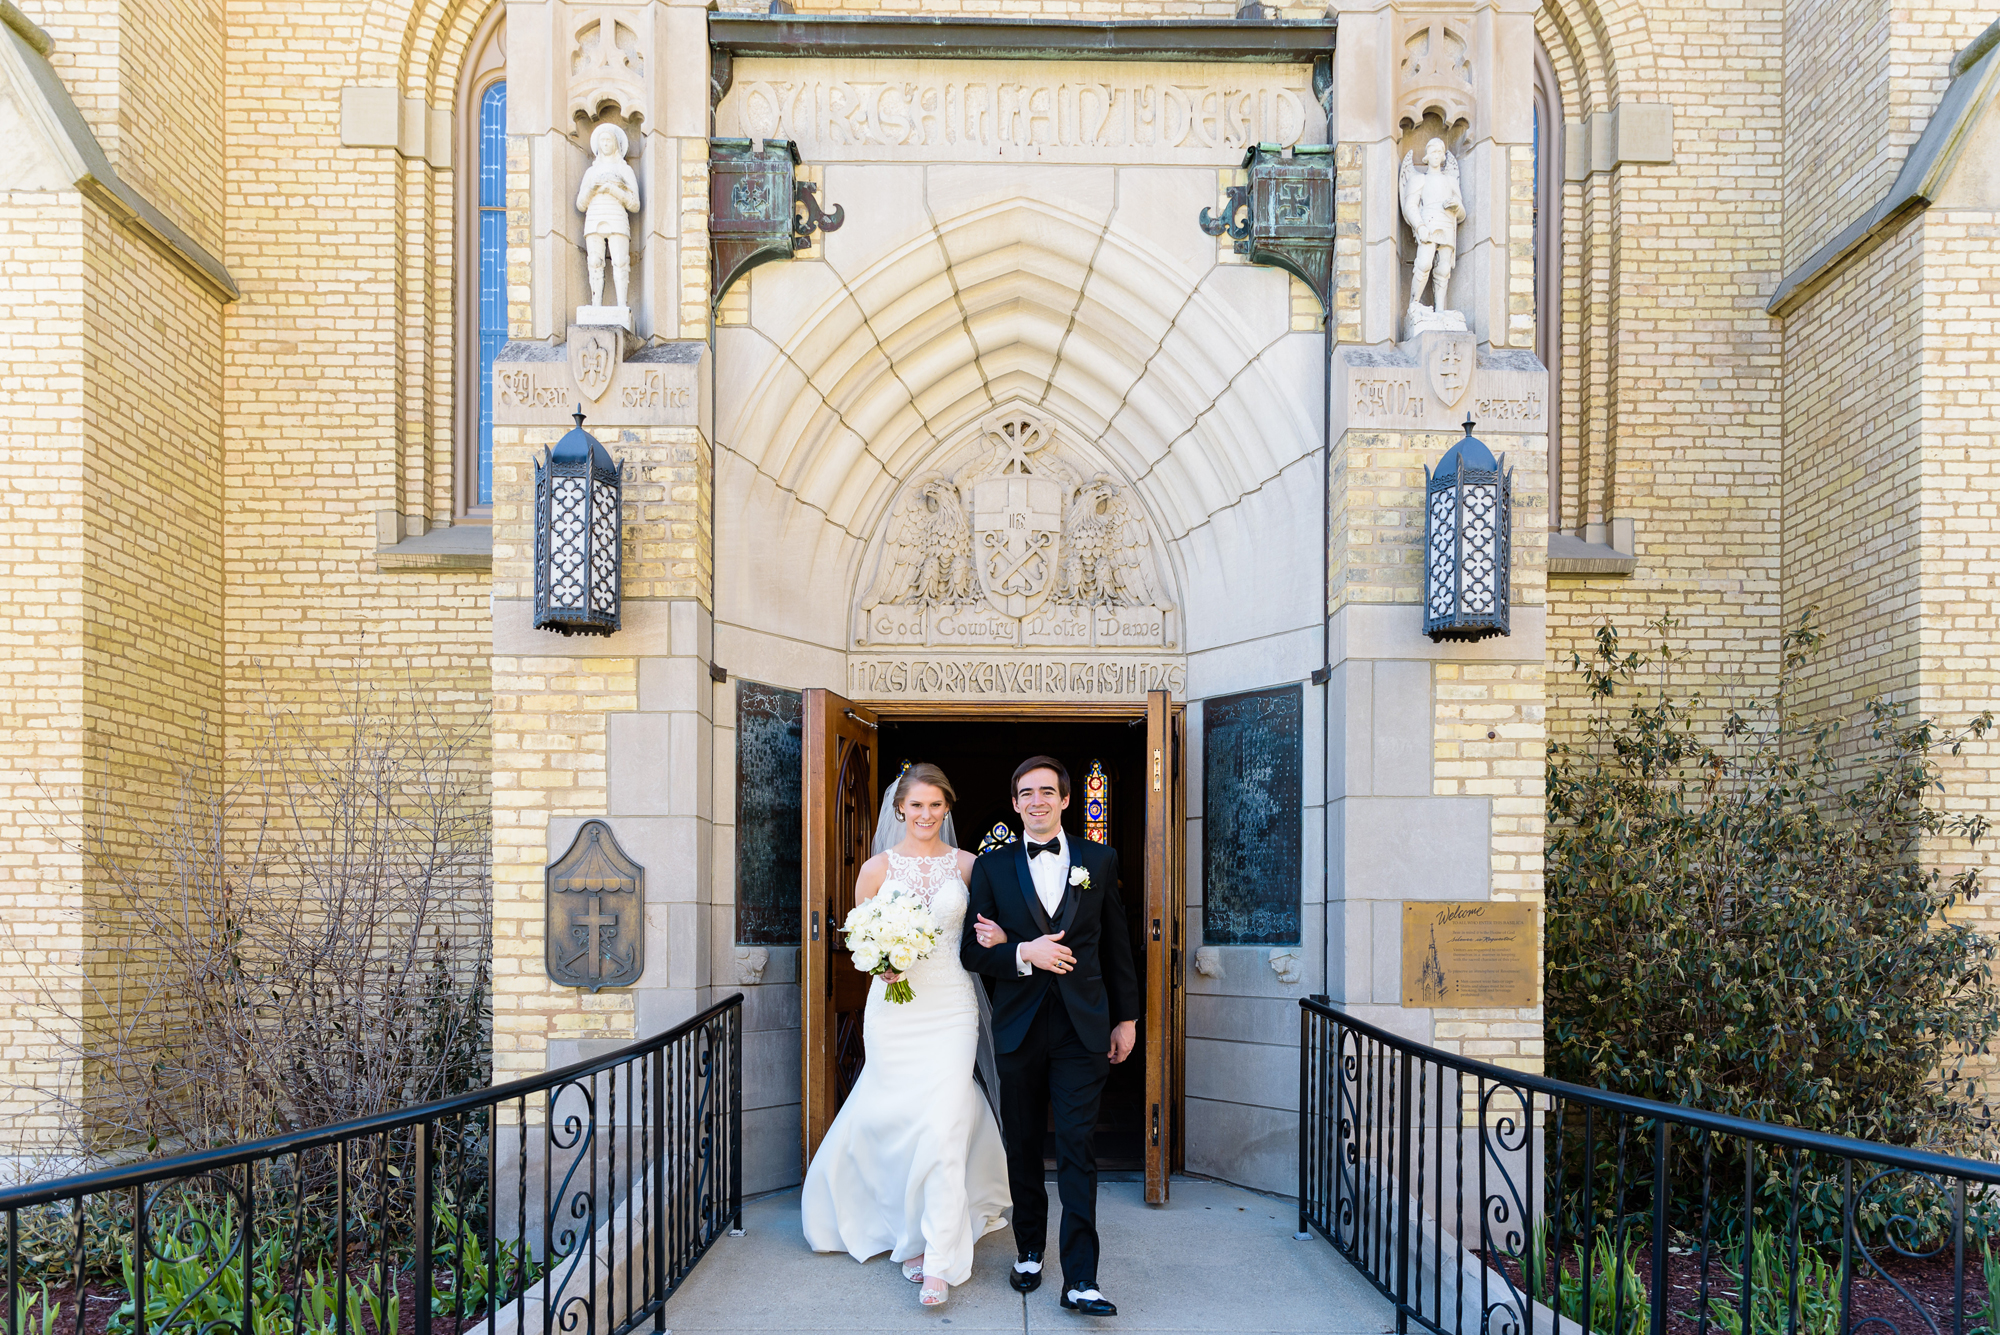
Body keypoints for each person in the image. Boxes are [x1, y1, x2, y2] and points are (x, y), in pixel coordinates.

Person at [801, 763, 1010, 1308]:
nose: (925, 814)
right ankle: (905, 1231)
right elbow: (858, 940)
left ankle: (939, 1259)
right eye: (916, 805)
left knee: (943, 1126)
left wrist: (1000, 935)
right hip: (895, 1012)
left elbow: (987, 935)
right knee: (891, 1118)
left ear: (948, 809)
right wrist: (881, 964)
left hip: (951, 1008)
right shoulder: (875, 869)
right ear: (900, 808)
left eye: (936, 805)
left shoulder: (969, 867)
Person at [961, 757, 1141, 1318]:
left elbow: (1117, 945)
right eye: (1025, 793)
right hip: (1017, 1027)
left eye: (1046, 792)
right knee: (1022, 1145)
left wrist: (1127, 1018)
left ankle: (1082, 1278)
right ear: (1014, 803)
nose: (1036, 801)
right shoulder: (991, 868)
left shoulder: (1099, 859)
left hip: (1083, 1026)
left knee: (1077, 1148)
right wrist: (1021, 952)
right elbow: (971, 952)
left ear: (1066, 800)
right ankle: (1030, 1249)